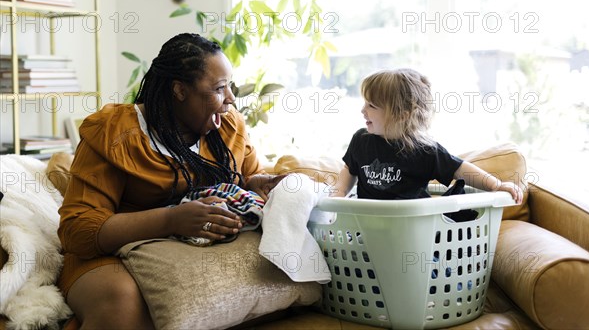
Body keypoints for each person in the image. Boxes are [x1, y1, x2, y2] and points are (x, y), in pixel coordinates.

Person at [57, 33, 284, 328]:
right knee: (123, 304)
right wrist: (171, 220)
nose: (230, 98)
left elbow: (244, 177)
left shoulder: (228, 125)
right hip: (110, 254)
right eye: (219, 88)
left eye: (229, 86)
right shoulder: (114, 132)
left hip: (187, 255)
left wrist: (254, 184)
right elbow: (78, 230)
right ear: (179, 90)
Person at [330, 68, 523, 204]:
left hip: (413, 230)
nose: (363, 110)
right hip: (366, 225)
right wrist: (338, 194)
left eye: (371, 106)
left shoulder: (424, 150)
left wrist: (496, 185)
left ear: (401, 114)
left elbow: (461, 170)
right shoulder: (361, 140)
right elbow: (350, 169)